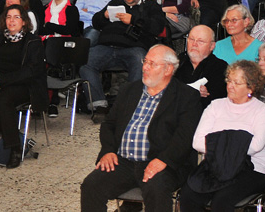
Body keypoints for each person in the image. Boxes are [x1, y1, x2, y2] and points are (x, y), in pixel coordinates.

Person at [80, 45, 203, 212]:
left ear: (168, 69)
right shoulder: (130, 90)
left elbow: (185, 136)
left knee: (156, 190)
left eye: (152, 64)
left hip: (161, 161)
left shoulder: (187, 96)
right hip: (123, 161)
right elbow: (109, 124)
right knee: (91, 186)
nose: (145, 67)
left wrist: (164, 160)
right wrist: (108, 151)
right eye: (145, 61)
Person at [178, 60, 265, 212]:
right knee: (188, 195)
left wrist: (216, 140)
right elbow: (197, 142)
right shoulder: (216, 105)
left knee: (221, 200)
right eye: (229, 80)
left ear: (251, 86)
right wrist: (236, 139)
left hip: (251, 169)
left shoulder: (262, 111)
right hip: (215, 166)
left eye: (237, 82)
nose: (230, 85)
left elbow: (255, 147)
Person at [82, 0, 168, 113]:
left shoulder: (150, 6)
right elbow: (95, 22)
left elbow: (157, 27)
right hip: (106, 46)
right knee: (85, 60)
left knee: (141, 63)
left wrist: (133, 19)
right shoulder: (116, 2)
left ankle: (130, 105)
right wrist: (104, 16)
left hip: (133, 48)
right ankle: (98, 104)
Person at [0, 6, 46, 168]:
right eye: (9, 17)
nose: (11, 20)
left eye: (16, 17)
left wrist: (2, 80)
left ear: (24, 22)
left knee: (2, 101)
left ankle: (14, 148)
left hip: (25, 86)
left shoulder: (33, 41)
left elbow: (31, 71)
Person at [174, 24, 228, 108]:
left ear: (212, 46)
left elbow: (220, 101)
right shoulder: (177, 62)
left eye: (200, 41)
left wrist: (205, 95)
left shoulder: (221, 67)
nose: (194, 44)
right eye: (191, 39)